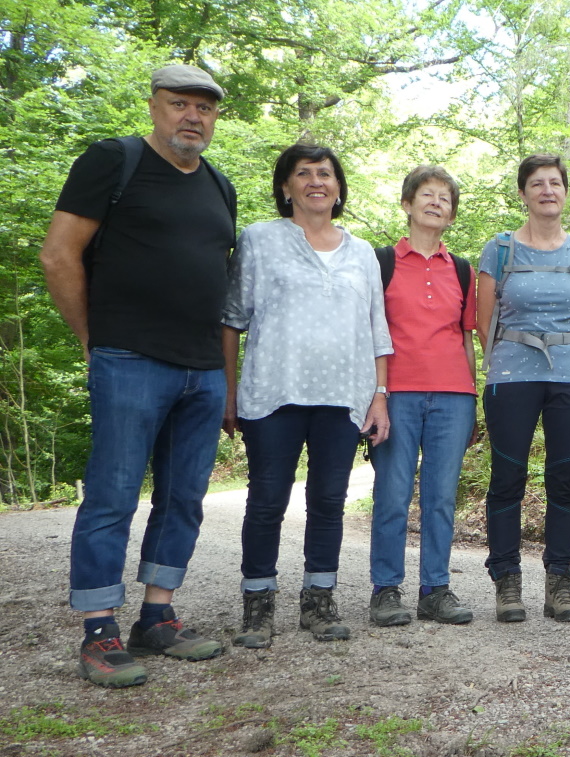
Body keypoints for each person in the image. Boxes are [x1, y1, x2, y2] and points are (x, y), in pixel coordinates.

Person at [40, 65, 235, 688]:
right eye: (179, 104)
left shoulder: (219, 185)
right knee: (114, 494)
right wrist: (92, 338)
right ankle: (100, 630)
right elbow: (58, 254)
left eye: (203, 109)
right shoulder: (113, 161)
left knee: (184, 498)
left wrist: (226, 375)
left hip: (202, 368)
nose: (191, 117)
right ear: (154, 105)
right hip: (130, 360)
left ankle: (158, 616)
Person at [223, 142, 393, 649]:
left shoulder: (362, 252)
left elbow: (377, 330)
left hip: (344, 396)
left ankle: (319, 600)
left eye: (326, 173)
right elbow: (232, 319)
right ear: (286, 186)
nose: (316, 181)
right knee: (267, 499)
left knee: (328, 501)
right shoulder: (258, 240)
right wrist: (227, 391)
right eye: (304, 173)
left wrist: (379, 395)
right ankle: (258, 604)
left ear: (339, 188)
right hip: (273, 393)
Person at [476, 154, 570, 624]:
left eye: (555, 183)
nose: (547, 190)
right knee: (508, 478)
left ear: (565, 192)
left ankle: (560, 583)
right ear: (523, 193)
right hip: (511, 374)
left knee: (563, 480)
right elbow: (482, 320)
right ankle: (507, 581)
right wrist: (512, 352)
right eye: (537, 183)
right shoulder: (500, 249)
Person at [367, 165, 477, 628]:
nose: (436, 203)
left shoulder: (462, 270)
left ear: (451, 214)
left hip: (454, 395)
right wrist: (375, 395)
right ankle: (386, 589)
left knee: (440, 497)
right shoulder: (380, 263)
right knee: (392, 493)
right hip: (397, 394)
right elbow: (370, 334)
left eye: (445, 199)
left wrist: (475, 401)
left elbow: (466, 337)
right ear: (407, 204)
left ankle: (435, 588)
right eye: (427, 195)